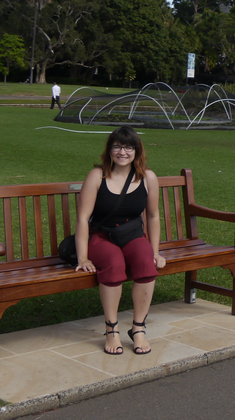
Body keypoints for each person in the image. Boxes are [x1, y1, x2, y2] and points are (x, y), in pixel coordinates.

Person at [73, 126, 165, 355]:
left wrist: (155, 251)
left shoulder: (147, 178)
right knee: (114, 262)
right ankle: (111, 329)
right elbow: (83, 219)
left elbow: (153, 216)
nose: (122, 152)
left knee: (145, 261)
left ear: (137, 151)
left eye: (128, 147)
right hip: (102, 237)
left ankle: (138, 328)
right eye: (117, 146)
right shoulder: (97, 176)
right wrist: (83, 256)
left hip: (132, 236)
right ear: (109, 150)